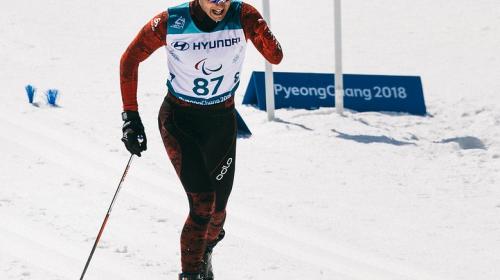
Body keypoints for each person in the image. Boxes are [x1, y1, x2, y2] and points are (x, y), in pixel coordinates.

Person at [119, 0, 283, 279]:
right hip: (180, 121)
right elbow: (130, 59)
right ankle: (190, 273)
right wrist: (130, 117)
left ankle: (205, 251)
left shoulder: (241, 14)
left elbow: (275, 57)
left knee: (218, 214)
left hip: (221, 123)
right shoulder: (173, 21)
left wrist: (257, 26)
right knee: (202, 204)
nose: (220, 5)